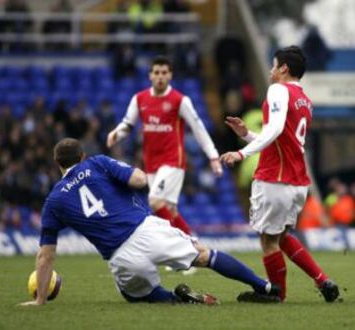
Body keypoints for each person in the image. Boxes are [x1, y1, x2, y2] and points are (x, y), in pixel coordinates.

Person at [20, 138, 280, 306]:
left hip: (120, 257)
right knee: (203, 256)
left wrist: (40, 299)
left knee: (135, 295)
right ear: (82, 157)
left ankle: (178, 301)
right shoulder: (98, 163)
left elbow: (45, 256)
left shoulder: (53, 200)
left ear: (57, 163)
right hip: (145, 230)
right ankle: (264, 287)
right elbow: (139, 180)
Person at [219, 46, 339, 303]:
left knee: (268, 241)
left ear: (284, 68)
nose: (271, 70)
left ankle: (278, 294)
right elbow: (281, 138)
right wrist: (246, 135)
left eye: (274, 65)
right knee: (282, 237)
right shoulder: (304, 99)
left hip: (276, 179)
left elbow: (273, 131)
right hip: (297, 182)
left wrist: (241, 154)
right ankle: (322, 280)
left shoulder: (277, 89)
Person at [107, 56, 223, 236]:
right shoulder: (140, 99)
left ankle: (181, 249)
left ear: (170, 75)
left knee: (154, 201)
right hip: (151, 161)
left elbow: (198, 127)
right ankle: (193, 247)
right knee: (170, 210)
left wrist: (213, 156)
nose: (160, 76)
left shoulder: (179, 100)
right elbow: (128, 123)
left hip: (172, 160)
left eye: (164, 73)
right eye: (156, 72)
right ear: (150, 76)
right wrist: (117, 133)